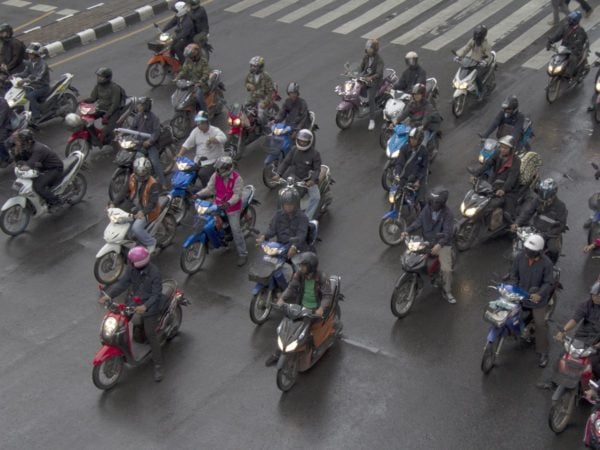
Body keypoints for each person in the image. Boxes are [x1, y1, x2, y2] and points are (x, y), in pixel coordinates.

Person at [99, 246, 165, 382]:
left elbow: (156, 295)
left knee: (150, 334)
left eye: (131, 262)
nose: (129, 263)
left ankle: (158, 365)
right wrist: (109, 295)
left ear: (139, 263)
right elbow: (122, 284)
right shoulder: (131, 269)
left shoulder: (154, 273)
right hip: (133, 302)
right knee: (118, 322)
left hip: (149, 306)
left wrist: (145, 306)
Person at [265, 252, 333, 366]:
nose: (300, 267)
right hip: (300, 306)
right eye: (300, 265)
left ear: (311, 266)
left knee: (307, 332)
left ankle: (314, 349)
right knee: (285, 326)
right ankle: (277, 353)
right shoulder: (299, 274)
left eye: (303, 265)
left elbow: (327, 296)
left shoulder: (322, 277)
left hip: (314, 310)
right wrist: (282, 298)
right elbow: (291, 287)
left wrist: (321, 308)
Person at [509, 233, 554, 367]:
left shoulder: (547, 263)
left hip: (537, 300)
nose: (527, 253)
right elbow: (514, 274)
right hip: (520, 294)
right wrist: (514, 286)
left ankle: (543, 352)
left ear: (539, 252)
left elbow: (548, 282)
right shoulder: (520, 257)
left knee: (540, 324)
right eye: (527, 250)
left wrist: (539, 294)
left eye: (531, 251)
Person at [403, 188, 456, 303]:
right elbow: (419, 221)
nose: (433, 204)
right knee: (412, 256)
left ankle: (447, 291)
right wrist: (407, 230)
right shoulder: (427, 209)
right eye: (432, 201)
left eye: (436, 202)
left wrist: (440, 244)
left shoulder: (448, 214)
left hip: (442, 243)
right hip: (426, 240)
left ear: (441, 203)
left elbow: (447, 233)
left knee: (446, 269)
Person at [196, 155, 248, 266]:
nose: (218, 171)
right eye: (218, 169)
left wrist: (229, 203)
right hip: (218, 204)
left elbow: (237, 195)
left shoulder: (237, 179)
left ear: (228, 169)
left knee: (236, 230)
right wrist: (197, 194)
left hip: (232, 208)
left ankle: (243, 253)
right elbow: (209, 189)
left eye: (221, 169)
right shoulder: (215, 176)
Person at [512, 178, 568, 264]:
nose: (544, 203)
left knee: (553, 249)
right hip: (535, 228)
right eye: (542, 200)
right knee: (519, 245)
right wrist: (517, 223)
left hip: (550, 233)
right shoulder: (537, 200)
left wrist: (545, 235)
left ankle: (551, 266)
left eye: (548, 200)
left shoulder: (561, 207)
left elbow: (561, 226)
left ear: (553, 195)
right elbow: (527, 212)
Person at [555, 280, 600, 386]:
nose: (595, 298)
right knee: (563, 357)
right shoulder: (587, 304)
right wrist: (564, 331)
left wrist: (597, 346)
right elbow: (575, 319)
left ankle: (592, 388)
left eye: (598, 296)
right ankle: (553, 381)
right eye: (593, 296)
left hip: (597, 342)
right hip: (582, 338)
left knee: (591, 364)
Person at [113, 157, 160, 253]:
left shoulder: (153, 183)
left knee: (136, 228)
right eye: (138, 174)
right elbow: (124, 191)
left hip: (148, 210)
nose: (140, 177)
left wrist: (143, 212)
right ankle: (130, 239)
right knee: (119, 219)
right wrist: (113, 203)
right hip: (133, 205)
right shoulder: (132, 177)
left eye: (143, 174)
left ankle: (151, 242)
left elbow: (153, 202)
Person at [472, 135, 521, 222]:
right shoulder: (497, 153)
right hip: (495, 181)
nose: (502, 150)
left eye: (505, 148)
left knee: (507, 213)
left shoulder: (516, 161)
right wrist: (476, 174)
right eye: (501, 147)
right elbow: (487, 164)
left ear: (511, 150)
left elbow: (511, 178)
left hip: (509, 187)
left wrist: (503, 189)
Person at [275, 129, 321, 220]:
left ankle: (307, 218)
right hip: (294, 178)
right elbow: (285, 162)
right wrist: (279, 174)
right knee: (283, 195)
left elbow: (317, 170)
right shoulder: (294, 150)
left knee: (316, 198)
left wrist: (312, 180)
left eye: (304, 142)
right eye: (300, 141)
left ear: (309, 142)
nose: (302, 143)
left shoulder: (315, 154)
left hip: (307, 180)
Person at [11, 129, 63, 208]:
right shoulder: (27, 147)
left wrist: (21, 167)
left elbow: (28, 165)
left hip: (54, 168)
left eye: (21, 141)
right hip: (42, 167)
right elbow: (20, 160)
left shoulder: (38, 149)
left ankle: (56, 201)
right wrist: (17, 151)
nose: (20, 142)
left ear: (28, 141)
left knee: (38, 186)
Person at [256, 187, 309, 259]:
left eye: (291, 204)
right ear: (283, 204)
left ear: (295, 204)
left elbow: (301, 234)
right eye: (286, 204)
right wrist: (264, 237)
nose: (288, 206)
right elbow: (272, 229)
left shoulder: (302, 217)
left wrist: (294, 247)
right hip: (280, 245)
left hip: (295, 246)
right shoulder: (278, 215)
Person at [178, 111, 226, 186]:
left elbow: (224, 138)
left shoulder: (215, 130)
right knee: (186, 171)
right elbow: (187, 144)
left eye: (201, 123)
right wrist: (179, 155)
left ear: (207, 122)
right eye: (198, 123)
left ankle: (209, 192)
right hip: (199, 161)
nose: (199, 125)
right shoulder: (195, 131)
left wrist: (214, 140)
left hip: (213, 161)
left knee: (203, 174)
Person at [130, 97, 167, 189]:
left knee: (155, 162)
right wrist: (124, 134)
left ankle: (163, 183)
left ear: (146, 106)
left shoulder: (154, 118)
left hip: (150, 145)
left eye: (140, 105)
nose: (138, 107)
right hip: (139, 142)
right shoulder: (138, 116)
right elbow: (132, 128)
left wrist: (150, 141)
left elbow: (156, 132)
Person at [83, 67, 126, 142]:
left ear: (107, 78)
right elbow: (93, 98)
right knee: (86, 119)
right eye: (98, 76)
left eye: (101, 77)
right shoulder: (98, 86)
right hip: (102, 108)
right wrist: (83, 100)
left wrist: (107, 115)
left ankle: (113, 143)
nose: (98, 78)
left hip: (113, 112)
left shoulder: (114, 88)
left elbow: (114, 105)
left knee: (106, 131)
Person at [14, 42, 50, 123]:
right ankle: (32, 110)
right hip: (34, 86)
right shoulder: (30, 62)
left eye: (31, 54)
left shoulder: (43, 64)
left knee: (30, 96)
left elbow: (38, 77)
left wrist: (25, 80)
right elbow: (25, 73)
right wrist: (14, 75)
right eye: (29, 54)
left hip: (43, 87)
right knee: (24, 93)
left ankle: (36, 115)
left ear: (36, 54)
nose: (29, 55)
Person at [547, 11, 589, 78]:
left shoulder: (580, 31)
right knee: (556, 58)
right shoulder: (565, 27)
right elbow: (557, 35)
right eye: (569, 19)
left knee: (572, 59)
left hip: (575, 50)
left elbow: (581, 40)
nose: (569, 20)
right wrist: (550, 41)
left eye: (571, 19)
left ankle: (568, 74)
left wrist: (576, 45)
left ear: (576, 21)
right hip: (564, 49)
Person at [397, 83, 441, 148]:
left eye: (418, 94)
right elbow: (405, 113)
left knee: (422, 146)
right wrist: (396, 121)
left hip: (427, 126)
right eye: (414, 94)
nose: (416, 96)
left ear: (422, 94)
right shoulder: (412, 104)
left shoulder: (428, 105)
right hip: (415, 124)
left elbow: (426, 117)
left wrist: (422, 126)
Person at [454, 25, 492, 98]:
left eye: (478, 35)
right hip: (471, 62)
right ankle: (457, 90)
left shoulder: (486, 45)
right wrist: (459, 56)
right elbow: (466, 49)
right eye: (476, 34)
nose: (477, 36)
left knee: (477, 77)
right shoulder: (473, 41)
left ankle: (481, 92)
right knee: (462, 72)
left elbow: (489, 56)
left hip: (481, 64)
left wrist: (485, 61)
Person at [393, 127, 429, 198]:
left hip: (417, 177)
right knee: (395, 195)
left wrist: (418, 181)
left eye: (414, 139)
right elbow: (400, 163)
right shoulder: (404, 149)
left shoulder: (424, 152)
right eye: (411, 138)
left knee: (421, 199)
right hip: (405, 176)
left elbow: (424, 168)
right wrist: (397, 175)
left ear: (419, 140)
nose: (412, 140)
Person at [177, 43, 210, 114]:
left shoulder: (203, 62)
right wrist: (177, 77)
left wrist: (200, 82)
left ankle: (205, 112)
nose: (190, 58)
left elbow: (206, 74)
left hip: (202, 85)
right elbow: (184, 70)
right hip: (191, 83)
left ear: (196, 55)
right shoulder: (188, 61)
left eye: (191, 57)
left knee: (198, 96)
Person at [360, 39, 384, 131]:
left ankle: (372, 120)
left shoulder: (379, 60)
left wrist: (371, 77)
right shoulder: (365, 57)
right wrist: (351, 72)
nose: (368, 50)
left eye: (370, 48)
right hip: (365, 79)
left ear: (374, 50)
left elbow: (379, 73)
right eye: (368, 48)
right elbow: (361, 68)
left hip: (375, 81)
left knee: (371, 98)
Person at [245, 56, 274, 129]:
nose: (252, 68)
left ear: (260, 67)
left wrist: (265, 102)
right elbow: (246, 83)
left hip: (263, 99)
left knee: (261, 116)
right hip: (253, 98)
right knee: (244, 109)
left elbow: (270, 91)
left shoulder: (266, 76)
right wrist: (248, 85)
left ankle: (265, 128)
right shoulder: (250, 75)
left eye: (255, 66)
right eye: (252, 66)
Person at [0, 95, 12, 167]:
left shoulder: (2, 102)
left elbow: (2, 118)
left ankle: (6, 158)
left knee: (0, 141)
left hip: (5, 126)